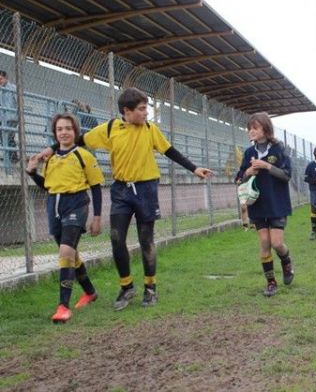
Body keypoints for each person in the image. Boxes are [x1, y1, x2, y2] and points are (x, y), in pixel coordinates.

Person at [36, 87, 214, 310]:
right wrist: (50, 150)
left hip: (146, 189)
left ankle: (150, 288)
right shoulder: (111, 128)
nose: (145, 113)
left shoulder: (150, 130)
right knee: (116, 238)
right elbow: (78, 140)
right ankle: (126, 286)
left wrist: (194, 168)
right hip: (121, 191)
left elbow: (170, 151)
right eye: (141, 109)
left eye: (146, 108)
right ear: (126, 111)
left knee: (145, 239)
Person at [26, 113, 104, 323]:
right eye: (60, 129)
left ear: (75, 132)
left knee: (66, 251)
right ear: (55, 133)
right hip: (54, 207)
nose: (64, 132)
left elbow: (96, 188)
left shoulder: (84, 156)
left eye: (68, 128)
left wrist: (97, 217)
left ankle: (63, 306)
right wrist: (32, 173)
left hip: (77, 204)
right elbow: (48, 186)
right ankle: (89, 292)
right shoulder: (49, 158)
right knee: (70, 254)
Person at [237, 112, 294, 297]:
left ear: (265, 129)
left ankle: (286, 262)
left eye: (255, 128)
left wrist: (267, 166)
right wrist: (248, 171)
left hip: (277, 204)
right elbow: (238, 178)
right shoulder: (248, 153)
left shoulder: (279, 149)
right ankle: (271, 283)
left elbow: (286, 175)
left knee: (277, 243)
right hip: (258, 205)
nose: (251, 132)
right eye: (249, 129)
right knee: (264, 242)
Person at [0, 69, 18, 163]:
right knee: (3, 138)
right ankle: (10, 158)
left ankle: (13, 159)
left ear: (6, 78)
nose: (0, 81)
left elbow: (19, 102)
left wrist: (21, 117)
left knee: (9, 137)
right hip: (2, 119)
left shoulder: (13, 88)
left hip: (11, 118)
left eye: (1, 79)